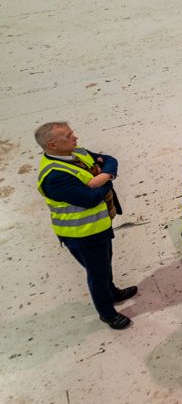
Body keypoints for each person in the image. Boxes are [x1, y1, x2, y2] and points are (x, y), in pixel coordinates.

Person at [35, 122, 137, 330]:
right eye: (68, 136)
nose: (75, 138)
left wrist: (104, 175)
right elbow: (90, 198)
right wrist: (107, 180)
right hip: (82, 235)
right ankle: (107, 314)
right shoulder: (54, 176)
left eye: (71, 133)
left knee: (104, 264)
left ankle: (112, 292)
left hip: (98, 227)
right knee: (97, 273)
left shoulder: (77, 152)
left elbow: (109, 160)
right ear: (52, 145)